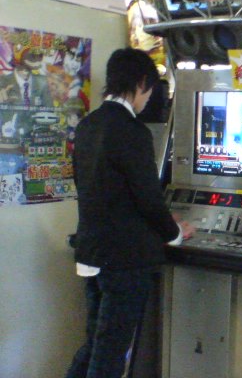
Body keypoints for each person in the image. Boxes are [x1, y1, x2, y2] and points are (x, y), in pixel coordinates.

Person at [66, 48, 195, 378]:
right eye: (149, 91)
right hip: (124, 259)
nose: (147, 99)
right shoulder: (132, 131)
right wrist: (175, 232)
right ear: (141, 84)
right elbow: (148, 197)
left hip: (91, 251)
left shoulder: (88, 125)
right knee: (109, 356)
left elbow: (91, 187)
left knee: (96, 345)